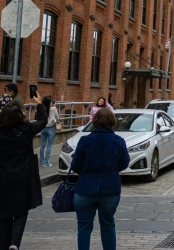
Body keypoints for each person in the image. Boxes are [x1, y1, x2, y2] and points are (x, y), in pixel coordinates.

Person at [0, 94, 47, 250]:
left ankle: (4, 246)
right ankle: (14, 243)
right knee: (21, 210)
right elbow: (43, 121)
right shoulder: (26, 130)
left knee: (5, 214)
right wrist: (39, 105)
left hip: (2, 178)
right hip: (23, 176)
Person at [72, 107, 130, 250]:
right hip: (110, 189)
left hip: (85, 187)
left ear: (95, 121)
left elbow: (75, 165)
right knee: (108, 224)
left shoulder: (84, 141)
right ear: (112, 121)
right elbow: (124, 163)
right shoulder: (119, 141)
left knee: (84, 227)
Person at [40, 97, 60, 167]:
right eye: (51, 102)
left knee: (42, 146)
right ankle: (46, 162)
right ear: (49, 103)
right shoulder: (53, 109)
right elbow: (57, 117)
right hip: (51, 128)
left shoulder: (42, 108)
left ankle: (41, 162)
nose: (52, 103)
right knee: (49, 146)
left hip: (43, 128)